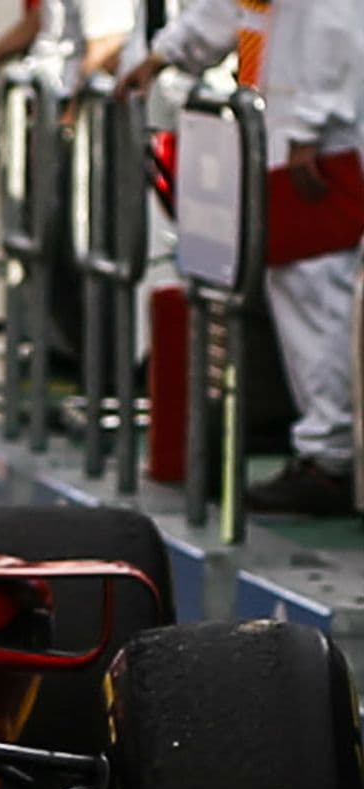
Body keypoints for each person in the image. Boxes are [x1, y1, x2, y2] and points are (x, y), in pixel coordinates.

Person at [121, 0, 364, 514]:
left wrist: (311, 126)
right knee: (300, 288)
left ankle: (330, 456)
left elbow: (338, 22)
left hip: (320, 138)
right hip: (296, 127)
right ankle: (326, 448)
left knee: (315, 291)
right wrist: (166, 53)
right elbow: (237, 8)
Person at [0, 0, 134, 91]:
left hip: (64, 101)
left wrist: (70, 118)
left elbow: (105, 50)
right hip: (40, 100)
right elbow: (45, 18)